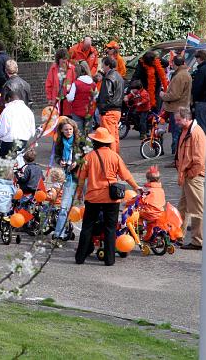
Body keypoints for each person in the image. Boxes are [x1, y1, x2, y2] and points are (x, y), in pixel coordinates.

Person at [74, 127, 141, 266]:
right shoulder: (114, 156)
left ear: (95, 142)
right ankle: (109, 260)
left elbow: (81, 179)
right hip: (111, 198)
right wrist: (136, 187)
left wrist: (79, 193)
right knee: (110, 229)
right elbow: (126, 175)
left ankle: (80, 258)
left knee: (87, 227)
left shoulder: (88, 157)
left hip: (93, 197)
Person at [175, 107, 206, 250]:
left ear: (186, 118)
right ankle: (178, 236)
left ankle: (198, 241)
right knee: (183, 208)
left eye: (178, 120)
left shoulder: (196, 133)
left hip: (193, 177)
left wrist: (190, 174)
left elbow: (199, 160)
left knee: (197, 209)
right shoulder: (187, 130)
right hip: (188, 176)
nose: (176, 123)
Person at [52, 116, 83, 240]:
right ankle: (59, 233)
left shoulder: (80, 141)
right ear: (61, 130)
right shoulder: (59, 142)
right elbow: (56, 156)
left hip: (81, 176)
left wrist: (77, 162)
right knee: (64, 206)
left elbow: (87, 156)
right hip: (68, 177)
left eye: (70, 129)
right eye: (66, 130)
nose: (68, 131)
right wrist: (60, 161)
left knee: (86, 206)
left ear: (74, 129)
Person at [160, 55, 192, 161]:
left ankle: (177, 157)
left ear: (175, 64)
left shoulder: (179, 76)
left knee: (176, 134)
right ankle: (178, 156)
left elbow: (175, 95)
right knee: (180, 133)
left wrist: (163, 95)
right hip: (182, 107)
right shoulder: (184, 74)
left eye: (172, 63)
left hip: (176, 109)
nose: (171, 65)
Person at [96, 56, 124, 153]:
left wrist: (101, 108)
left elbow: (106, 96)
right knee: (115, 136)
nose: (102, 67)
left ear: (107, 65)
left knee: (109, 137)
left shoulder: (108, 78)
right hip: (117, 110)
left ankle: (112, 158)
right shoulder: (119, 76)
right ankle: (116, 156)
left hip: (109, 111)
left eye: (103, 65)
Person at [0, 90, 35, 157]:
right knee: (21, 161)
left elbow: (2, 131)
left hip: (9, 143)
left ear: (9, 99)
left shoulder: (7, 111)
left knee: (5, 162)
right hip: (24, 142)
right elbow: (32, 132)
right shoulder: (28, 110)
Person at [65, 60, 96, 134]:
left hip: (77, 111)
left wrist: (66, 94)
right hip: (89, 111)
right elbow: (95, 97)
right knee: (88, 133)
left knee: (78, 133)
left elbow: (70, 98)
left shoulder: (76, 84)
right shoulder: (93, 84)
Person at [45, 48, 76, 114]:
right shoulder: (53, 68)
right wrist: (49, 98)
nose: (64, 60)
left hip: (67, 100)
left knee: (66, 118)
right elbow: (49, 84)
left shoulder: (72, 68)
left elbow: (75, 84)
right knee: (56, 117)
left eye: (65, 58)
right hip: (55, 99)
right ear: (58, 59)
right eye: (62, 59)